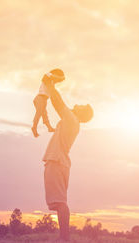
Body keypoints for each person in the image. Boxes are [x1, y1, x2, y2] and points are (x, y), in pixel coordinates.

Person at [41, 74, 93, 242]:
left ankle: (64, 239)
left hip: (57, 161)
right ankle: (63, 238)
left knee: (61, 203)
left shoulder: (72, 120)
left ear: (81, 112)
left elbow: (57, 103)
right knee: (59, 202)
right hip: (59, 161)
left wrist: (50, 84)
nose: (77, 104)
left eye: (81, 105)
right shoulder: (72, 121)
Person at [32, 69, 65, 137]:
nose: (57, 81)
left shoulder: (51, 83)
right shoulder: (48, 75)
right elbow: (52, 77)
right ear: (56, 74)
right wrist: (61, 77)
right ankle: (34, 127)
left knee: (44, 114)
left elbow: (54, 89)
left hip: (44, 99)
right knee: (39, 112)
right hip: (39, 98)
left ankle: (49, 128)